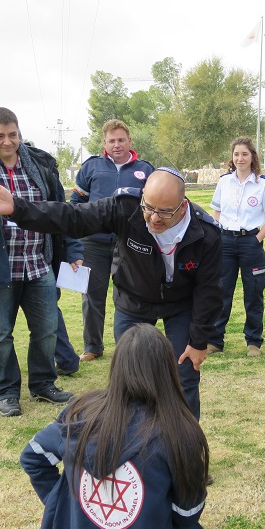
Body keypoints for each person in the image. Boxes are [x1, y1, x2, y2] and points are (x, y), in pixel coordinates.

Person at [0, 166, 222, 420]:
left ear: (183, 206)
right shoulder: (126, 206)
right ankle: (131, 441)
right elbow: (73, 217)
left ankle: (185, 447)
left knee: (184, 374)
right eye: (149, 207)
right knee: (130, 377)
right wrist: (17, 208)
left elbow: (209, 292)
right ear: (142, 196)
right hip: (133, 300)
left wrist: (199, 342)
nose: (154, 218)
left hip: (180, 304)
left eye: (165, 211)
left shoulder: (205, 233)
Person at [20, 323, 247, 529]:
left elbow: (33, 456)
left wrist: (67, 504)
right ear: (167, 371)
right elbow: (186, 515)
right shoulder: (178, 430)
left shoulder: (81, 411)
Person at [0, 107, 78, 417]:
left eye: (12, 135)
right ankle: (7, 392)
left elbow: (60, 212)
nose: (7, 142)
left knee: (46, 330)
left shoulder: (41, 165)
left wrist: (72, 250)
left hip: (38, 264)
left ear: (19, 133)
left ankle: (43, 384)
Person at [72, 119, 154, 363]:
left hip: (129, 243)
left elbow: (154, 205)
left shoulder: (145, 169)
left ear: (130, 141)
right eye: (111, 141)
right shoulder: (91, 167)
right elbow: (76, 205)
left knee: (129, 295)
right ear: (104, 143)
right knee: (91, 296)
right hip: (93, 243)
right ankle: (92, 346)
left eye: (121, 140)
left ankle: (130, 345)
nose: (116, 145)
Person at [207, 137, 265, 357]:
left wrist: (256, 239)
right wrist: (218, 233)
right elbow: (216, 210)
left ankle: (253, 342)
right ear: (232, 157)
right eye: (236, 154)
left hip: (251, 243)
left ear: (252, 157)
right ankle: (215, 340)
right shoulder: (224, 182)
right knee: (221, 292)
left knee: (253, 294)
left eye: (244, 154)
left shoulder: (263, 184)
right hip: (225, 242)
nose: (240, 158)